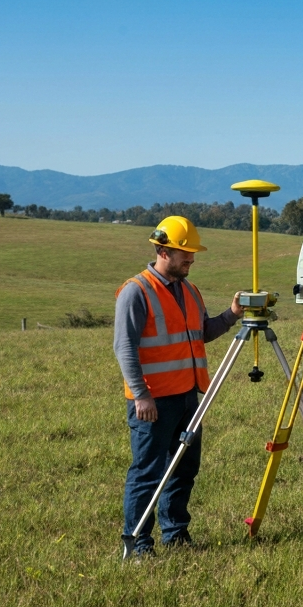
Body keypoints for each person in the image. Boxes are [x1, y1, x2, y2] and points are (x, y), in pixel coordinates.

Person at [114, 216, 242, 557]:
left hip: (189, 396)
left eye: (192, 253)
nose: (191, 259)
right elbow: (124, 347)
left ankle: (176, 533)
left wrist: (231, 314)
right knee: (148, 472)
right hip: (153, 402)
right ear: (161, 250)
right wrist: (141, 395)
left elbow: (201, 333)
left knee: (184, 469)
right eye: (183, 252)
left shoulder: (189, 290)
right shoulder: (136, 291)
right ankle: (138, 543)